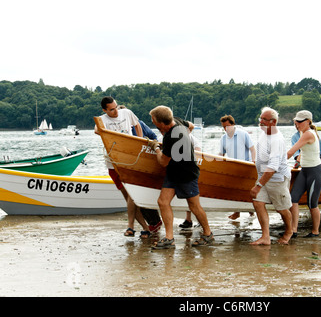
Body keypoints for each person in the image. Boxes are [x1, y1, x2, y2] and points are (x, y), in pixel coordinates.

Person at [149, 105, 213, 249]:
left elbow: (163, 162)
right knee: (163, 202)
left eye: (153, 121)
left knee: (194, 206)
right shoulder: (176, 121)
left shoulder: (172, 137)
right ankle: (169, 238)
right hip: (173, 173)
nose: (153, 123)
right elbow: (190, 125)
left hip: (186, 174)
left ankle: (208, 234)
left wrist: (156, 148)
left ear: (161, 123)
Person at [94, 96, 153, 238]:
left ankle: (131, 227)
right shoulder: (102, 120)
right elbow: (97, 130)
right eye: (112, 109)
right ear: (105, 110)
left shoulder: (127, 113)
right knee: (128, 196)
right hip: (113, 163)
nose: (115, 111)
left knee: (132, 195)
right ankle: (145, 228)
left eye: (116, 107)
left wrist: (140, 143)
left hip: (129, 161)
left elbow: (137, 125)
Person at [250, 107, 292, 245]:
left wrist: (258, 185)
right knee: (257, 202)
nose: (260, 122)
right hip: (263, 176)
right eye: (260, 118)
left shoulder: (276, 139)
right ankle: (265, 237)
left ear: (273, 122)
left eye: (264, 119)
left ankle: (289, 231)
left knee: (281, 208)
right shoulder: (264, 133)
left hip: (277, 178)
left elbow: (273, 166)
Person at [287, 110, 321, 238]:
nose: (297, 123)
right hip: (304, 171)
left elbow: (291, 152)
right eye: (296, 121)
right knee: (293, 199)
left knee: (312, 203)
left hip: (316, 172)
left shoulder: (308, 134)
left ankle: (315, 231)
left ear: (308, 122)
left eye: (300, 121)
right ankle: (294, 230)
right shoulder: (302, 132)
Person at [218, 115, 256, 220]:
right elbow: (221, 154)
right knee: (236, 190)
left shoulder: (243, 134)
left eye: (227, 126)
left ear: (233, 124)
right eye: (223, 127)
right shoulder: (223, 138)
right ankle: (239, 212)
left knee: (246, 190)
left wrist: (253, 161)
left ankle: (250, 211)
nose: (226, 129)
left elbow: (252, 149)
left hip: (246, 165)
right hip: (233, 167)